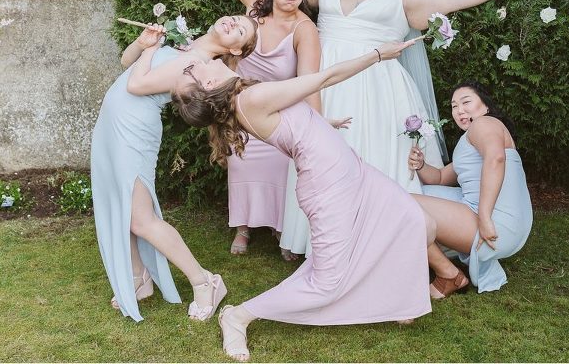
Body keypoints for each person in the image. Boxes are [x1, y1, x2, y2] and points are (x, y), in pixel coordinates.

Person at [237, 0, 535, 255]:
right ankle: (319, 241)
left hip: (380, 91)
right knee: (319, 155)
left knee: (377, 158)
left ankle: (382, 244)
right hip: (326, 85)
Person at [170, 39, 431, 362]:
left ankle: (398, 300)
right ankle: (238, 316)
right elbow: (325, 78)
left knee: (409, 216)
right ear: (209, 83)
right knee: (325, 283)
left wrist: (323, 124)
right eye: (190, 70)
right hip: (327, 185)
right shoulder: (252, 97)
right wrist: (379, 55)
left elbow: (292, 122)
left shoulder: (243, 97)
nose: (195, 61)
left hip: (350, 170)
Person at [91, 14, 257, 322]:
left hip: (132, 129)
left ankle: (204, 280)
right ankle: (139, 278)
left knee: (140, 219)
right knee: (122, 207)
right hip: (112, 125)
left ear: (235, 51)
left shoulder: (196, 63)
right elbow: (127, 63)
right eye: (235, 19)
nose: (232, 23)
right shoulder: (187, 47)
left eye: (240, 31)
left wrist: (152, 50)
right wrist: (143, 44)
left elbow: (137, 85)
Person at [218, 0, 343, 260]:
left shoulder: (305, 29)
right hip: (241, 104)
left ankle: (280, 226)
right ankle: (242, 225)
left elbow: (308, 83)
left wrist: (317, 127)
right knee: (241, 160)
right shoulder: (256, 5)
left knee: (279, 163)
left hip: (278, 110)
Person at [408, 81, 533, 296]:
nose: (459, 110)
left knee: (401, 205)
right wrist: (420, 165)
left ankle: (448, 274)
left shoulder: (484, 124)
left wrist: (484, 218)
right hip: (494, 218)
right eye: (454, 106)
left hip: (496, 222)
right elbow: (438, 178)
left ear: (485, 106)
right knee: (415, 195)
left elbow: (496, 159)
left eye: (466, 102)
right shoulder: (471, 139)